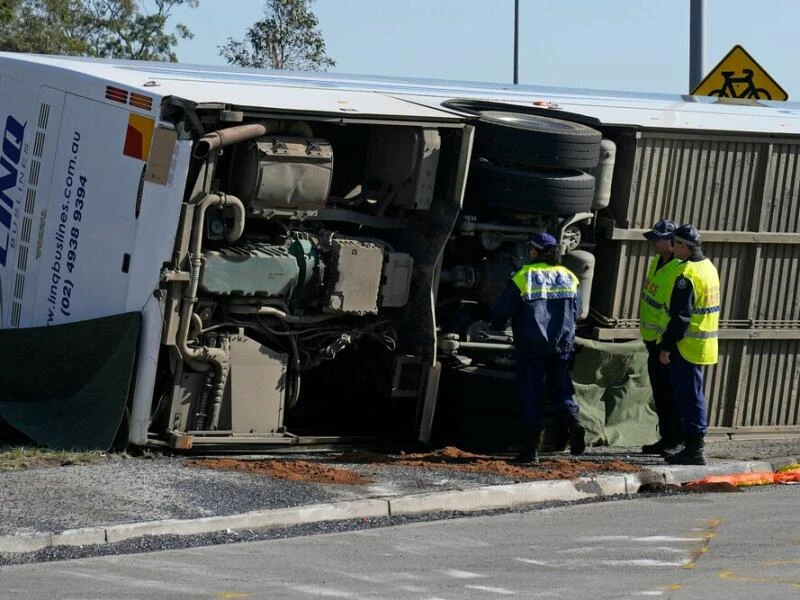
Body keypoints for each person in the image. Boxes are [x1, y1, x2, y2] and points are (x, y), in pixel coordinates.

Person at [490, 232, 585, 463]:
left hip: (532, 346)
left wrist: (496, 323)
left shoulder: (525, 276)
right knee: (562, 390)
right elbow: (578, 311)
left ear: (534, 252)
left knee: (531, 395)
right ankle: (574, 421)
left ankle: (529, 451)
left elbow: (502, 310)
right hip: (562, 345)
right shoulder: (569, 276)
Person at [658, 224, 720, 465]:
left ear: (683, 245)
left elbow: (681, 316)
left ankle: (694, 448)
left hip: (687, 346)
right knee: (693, 395)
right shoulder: (708, 268)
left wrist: (667, 346)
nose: (673, 249)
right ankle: (692, 445)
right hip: (702, 343)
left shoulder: (688, 274)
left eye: (675, 244)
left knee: (689, 397)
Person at [638, 219, 684, 457]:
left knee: (672, 392)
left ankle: (678, 439)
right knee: (660, 392)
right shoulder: (657, 261)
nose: (653, 243)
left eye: (658, 239)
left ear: (673, 242)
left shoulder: (680, 268)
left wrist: (667, 342)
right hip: (652, 339)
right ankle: (666, 437)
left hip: (667, 342)